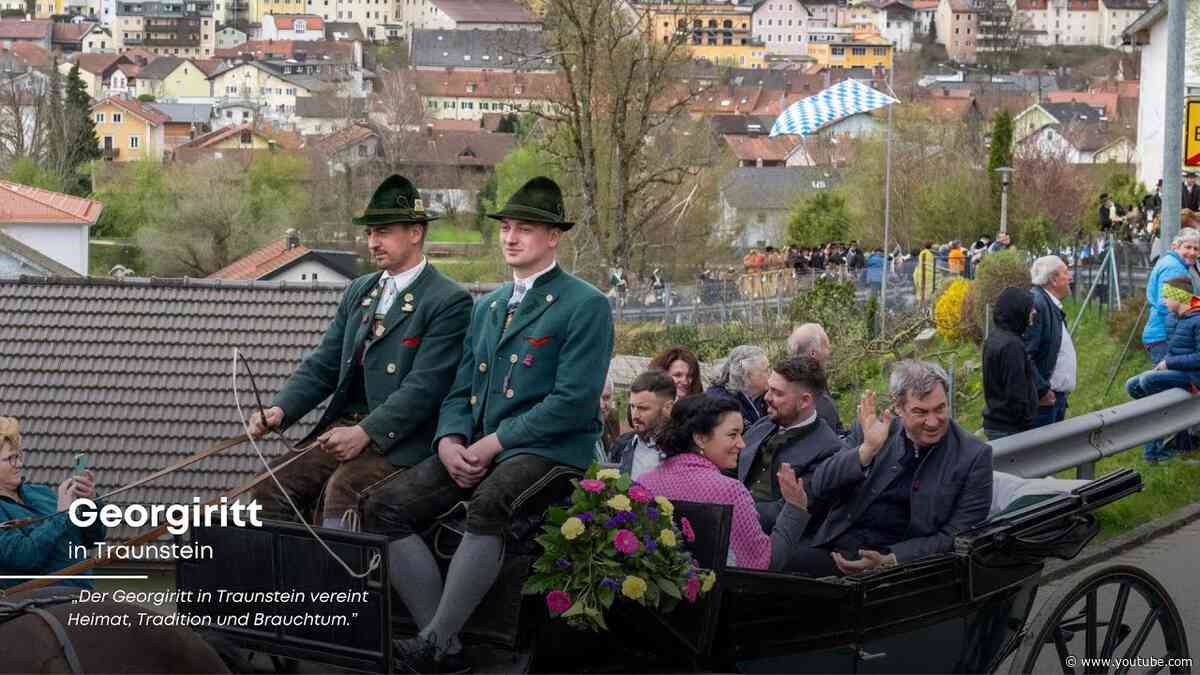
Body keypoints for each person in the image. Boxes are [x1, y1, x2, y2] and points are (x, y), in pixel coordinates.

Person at [364, 176, 613, 674]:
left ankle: (433, 642)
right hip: (480, 446)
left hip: (553, 452)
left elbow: (572, 403)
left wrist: (494, 442)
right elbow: (460, 387)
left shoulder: (585, 304)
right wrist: (451, 440)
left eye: (525, 228)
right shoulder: (489, 305)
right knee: (382, 507)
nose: (511, 237)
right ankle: (447, 641)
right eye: (506, 228)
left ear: (553, 237)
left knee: (492, 502)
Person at [248, 175, 472, 528]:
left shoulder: (447, 300)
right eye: (370, 233)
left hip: (403, 439)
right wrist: (281, 408)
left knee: (344, 492)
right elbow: (324, 362)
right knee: (268, 487)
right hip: (346, 427)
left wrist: (366, 432)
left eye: (382, 232)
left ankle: (342, 583)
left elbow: (425, 388)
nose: (372, 242)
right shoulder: (359, 291)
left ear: (415, 233)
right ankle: (291, 577)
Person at [775, 361, 993, 577]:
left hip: (904, 567)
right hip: (836, 547)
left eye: (940, 409)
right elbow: (821, 484)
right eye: (920, 412)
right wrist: (866, 450)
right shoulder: (876, 430)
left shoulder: (973, 456)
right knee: (767, 568)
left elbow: (958, 535)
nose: (933, 422)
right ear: (898, 407)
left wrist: (891, 560)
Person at [638, 395, 809, 570]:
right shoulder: (729, 491)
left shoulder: (642, 484)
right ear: (701, 438)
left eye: (740, 434)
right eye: (732, 435)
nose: (742, 444)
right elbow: (763, 565)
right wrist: (795, 508)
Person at [737, 357, 843, 533]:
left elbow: (788, 512)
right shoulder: (764, 424)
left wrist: (731, 510)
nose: (766, 397)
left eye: (777, 393)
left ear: (805, 401)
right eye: (769, 389)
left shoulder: (828, 451)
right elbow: (732, 466)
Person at [0, 417, 105, 590]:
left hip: (82, 594)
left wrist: (89, 501)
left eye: (18, 456)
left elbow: (93, 538)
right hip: (36, 606)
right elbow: (24, 556)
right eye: (10, 458)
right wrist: (62, 514)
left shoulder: (42, 493)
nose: (19, 464)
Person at [1127, 277, 1200, 463]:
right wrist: (1163, 363)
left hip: (1195, 376)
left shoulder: (1197, 319)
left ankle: (1155, 449)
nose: (1163, 301)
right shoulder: (1172, 317)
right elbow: (1175, 349)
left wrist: (1169, 364)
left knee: (1148, 381)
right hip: (1180, 371)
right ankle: (1170, 430)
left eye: (1167, 296)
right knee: (1132, 385)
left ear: (1180, 297)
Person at [981, 287, 1039, 440]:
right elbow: (1016, 391)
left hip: (996, 422)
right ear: (1018, 310)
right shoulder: (1012, 346)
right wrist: (1026, 420)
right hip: (1010, 429)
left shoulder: (994, 337)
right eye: (1029, 308)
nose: (1034, 312)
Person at [1025, 256, 1076, 428]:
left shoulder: (1048, 303)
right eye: (1065, 272)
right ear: (1054, 279)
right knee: (1042, 454)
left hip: (1052, 398)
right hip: (1044, 402)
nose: (1070, 277)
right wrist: (1041, 390)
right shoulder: (1038, 305)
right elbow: (1025, 354)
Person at [1142, 229, 1200, 363]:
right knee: (1167, 380)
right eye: (1187, 247)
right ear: (1176, 246)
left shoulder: (1172, 262)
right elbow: (1166, 302)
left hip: (1160, 333)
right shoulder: (1173, 268)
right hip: (1163, 335)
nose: (1192, 252)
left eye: (1196, 249)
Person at [609, 369, 676, 478]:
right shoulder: (621, 446)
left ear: (668, 408)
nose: (635, 415)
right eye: (632, 406)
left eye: (643, 408)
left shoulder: (682, 451)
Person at [787, 322, 844, 436]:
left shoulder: (789, 382)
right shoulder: (814, 395)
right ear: (813, 353)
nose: (829, 352)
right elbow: (830, 443)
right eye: (826, 346)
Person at [706, 345, 770, 426]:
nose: (770, 374)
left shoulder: (761, 395)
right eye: (766, 370)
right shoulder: (721, 404)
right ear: (746, 375)